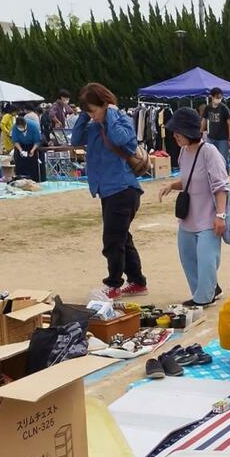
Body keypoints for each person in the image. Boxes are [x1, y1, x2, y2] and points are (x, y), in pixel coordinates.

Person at [71, 82, 148, 300]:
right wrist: (85, 116)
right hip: (107, 190)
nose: (93, 116)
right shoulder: (94, 125)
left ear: (105, 104)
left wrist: (111, 114)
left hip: (123, 189)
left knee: (112, 240)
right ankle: (137, 281)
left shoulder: (121, 120)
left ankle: (113, 284)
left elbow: (120, 140)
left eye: (94, 111)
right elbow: (76, 140)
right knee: (122, 238)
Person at [158, 107, 230, 308]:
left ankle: (203, 298)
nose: (175, 136)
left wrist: (221, 215)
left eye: (178, 132)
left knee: (207, 260)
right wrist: (172, 185)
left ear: (189, 132)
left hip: (208, 218)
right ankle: (205, 290)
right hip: (188, 217)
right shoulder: (183, 152)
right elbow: (188, 180)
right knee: (188, 258)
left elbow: (220, 186)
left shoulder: (209, 152)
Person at [203, 87, 230, 170]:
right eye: (217, 97)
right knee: (210, 159)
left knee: (223, 159)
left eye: (220, 97)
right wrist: (200, 131)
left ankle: (226, 179)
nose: (219, 99)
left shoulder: (224, 108)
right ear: (212, 97)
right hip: (211, 137)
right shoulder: (208, 107)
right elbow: (204, 120)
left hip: (223, 139)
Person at [11, 115, 43, 181]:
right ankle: (20, 180)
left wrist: (33, 150)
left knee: (33, 165)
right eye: (19, 127)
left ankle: (34, 180)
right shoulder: (14, 128)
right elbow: (15, 141)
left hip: (32, 145)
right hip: (21, 145)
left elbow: (37, 141)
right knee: (19, 165)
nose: (21, 128)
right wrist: (20, 150)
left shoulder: (33, 126)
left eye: (22, 127)